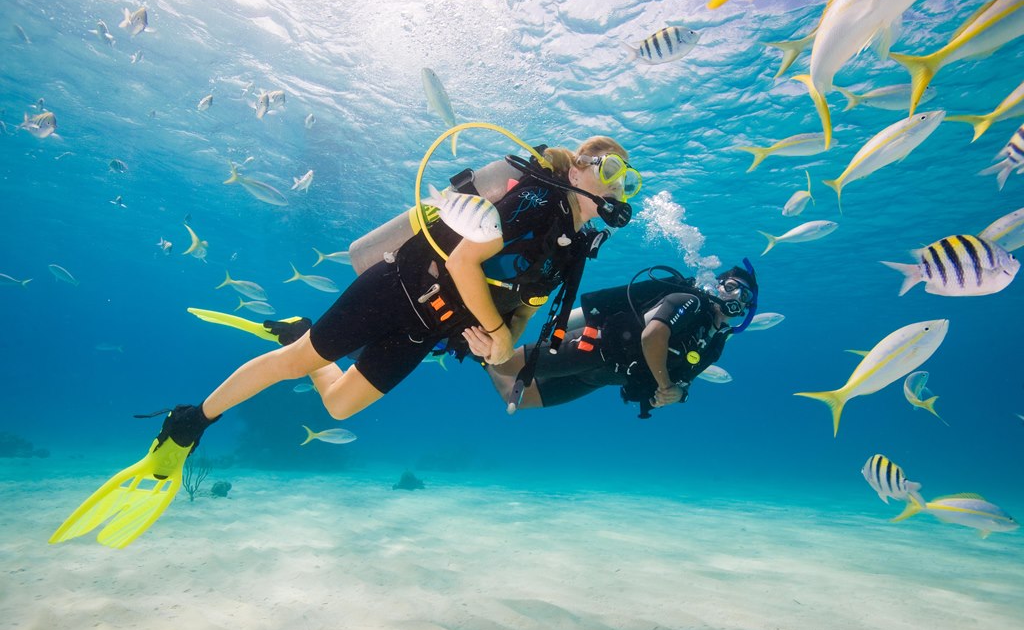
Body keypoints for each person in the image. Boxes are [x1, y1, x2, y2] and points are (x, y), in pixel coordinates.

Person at [156, 136, 641, 458]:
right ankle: (195, 418)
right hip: (399, 288)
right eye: (612, 168)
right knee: (294, 362)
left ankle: (305, 332)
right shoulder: (538, 200)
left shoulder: (572, 250)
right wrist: (494, 331)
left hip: (428, 329)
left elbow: (525, 313)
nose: (618, 183)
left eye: (628, 180)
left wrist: (498, 345)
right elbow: (461, 262)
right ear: (577, 169)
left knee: (340, 408)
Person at [483, 263, 758, 418]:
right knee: (506, 366)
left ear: (747, 310)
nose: (735, 297)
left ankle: (480, 357)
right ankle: (481, 340)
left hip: (606, 376)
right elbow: (653, 335)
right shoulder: (690, 301)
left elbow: (686, 379)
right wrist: (664, 384)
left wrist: (676, 394)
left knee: (522, 398)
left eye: (744, 297)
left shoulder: (715, 342)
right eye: (731, 287)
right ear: (717, 286)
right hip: (594, 348)